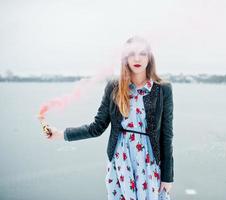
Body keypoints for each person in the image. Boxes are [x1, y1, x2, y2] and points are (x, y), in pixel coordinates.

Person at [43, 35, 174, 200]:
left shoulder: (163, 89)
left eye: (142, 53)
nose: (137, 58)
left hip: (149, 161)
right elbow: (97, 127)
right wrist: (61, 134)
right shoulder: (114, 87)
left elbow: (166, 135)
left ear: (150, 58)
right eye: (131, 53)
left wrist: (168, 176)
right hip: (121, 159)